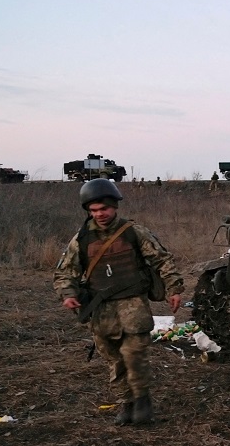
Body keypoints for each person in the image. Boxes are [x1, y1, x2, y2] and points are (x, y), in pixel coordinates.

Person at [54, 179, 184, 425]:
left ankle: (143, 400)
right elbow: (65, 272)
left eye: (103, 208)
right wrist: (68, 294)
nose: (99, 214)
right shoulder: (81, 240)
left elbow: (162, 260)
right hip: (101, 310)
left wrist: (174, 288)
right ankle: (127, 403)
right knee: (114, 360)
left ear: (114, 206)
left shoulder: (134, 232)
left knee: (134, 355)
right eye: (93, 210)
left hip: (133, 304)